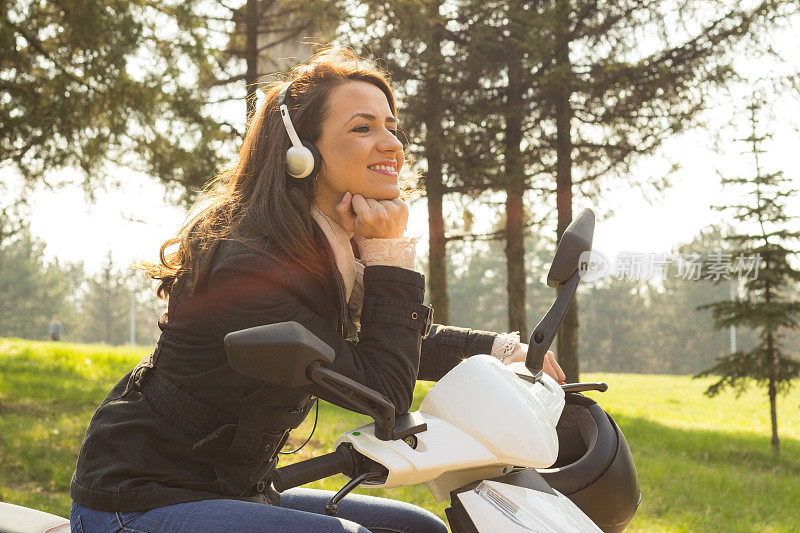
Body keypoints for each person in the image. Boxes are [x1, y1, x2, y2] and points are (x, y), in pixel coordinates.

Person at [69, 47, 565, 533]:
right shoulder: (249, 263)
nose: (392, 144)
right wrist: (389, 255)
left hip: (234, 490)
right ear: (301, 151)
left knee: (418, 529)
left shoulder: (325, 247)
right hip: (138, 503)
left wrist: (502, 352)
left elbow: (383, 341)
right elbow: (384, 390)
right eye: (363, 127)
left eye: (392, 127)